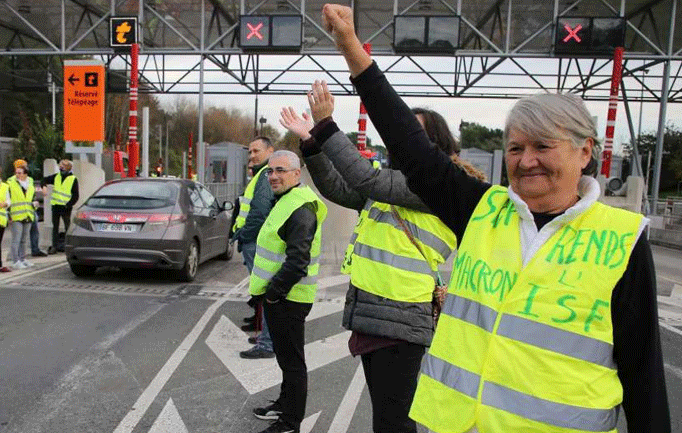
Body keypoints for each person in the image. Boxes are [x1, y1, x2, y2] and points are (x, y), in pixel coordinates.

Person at [321, 4, 671, 432]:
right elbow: (410, 146)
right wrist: (351, 48)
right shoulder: (482, 210)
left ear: (584, 152)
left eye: (543, 146)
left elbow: (644, 375)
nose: (526, 161)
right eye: (515, 148)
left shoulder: (622, 240)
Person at [281, 80, 479, 433]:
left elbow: (364, 178)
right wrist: (311, 144)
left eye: (411, 133)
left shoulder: (437, 185)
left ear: (434, 144)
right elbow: (339, 188)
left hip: (400, 317)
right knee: (388, 420)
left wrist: (325, 126)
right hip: (376, 313)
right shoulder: (395, 184)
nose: (400, 138)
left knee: (393, 423)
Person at [250, 150, 327, 433]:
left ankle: (291, 422)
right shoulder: (287, 200)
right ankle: (284, 404)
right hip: (282, 296)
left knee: (293, 362)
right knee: (286, 359)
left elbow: (298, 261)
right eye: (270, 171)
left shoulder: (301, 208)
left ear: (297, 173)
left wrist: (273, 293)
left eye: (280, 170)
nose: (273, 176)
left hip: (289, 298)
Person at [232, 136, 277, 359]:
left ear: (270, 151)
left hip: (255, 242)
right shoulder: (262, 174)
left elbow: (259, 212)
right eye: (250, 152)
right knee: (264, 292)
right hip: (256, 241)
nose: (252, 155)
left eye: (257, 151)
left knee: (266, 293)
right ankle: (267, 338)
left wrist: (244, 236)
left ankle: (267, 343)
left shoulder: (266, 175)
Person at [41, 159, 78, 254]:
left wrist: (68, 205)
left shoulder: (73, 179)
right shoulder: (56, 176)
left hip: (65, 208)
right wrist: (44, 187)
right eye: (60, 165)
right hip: (56, 206)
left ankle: (68, 246)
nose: (61, 167)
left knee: (67, 227)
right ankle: (54, 246)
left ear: (68, 167)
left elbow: (75, 195)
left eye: (63, 165)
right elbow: (44, 180)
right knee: (55, 227)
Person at [7, 162, 37, 269]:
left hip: (28, 214)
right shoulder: (10, 183)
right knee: (16, 239)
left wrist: (34, 203)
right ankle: (15, 261)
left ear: (25, 174)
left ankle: (23, 259)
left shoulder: (30, 182)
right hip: (16, 215)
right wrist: (8, 215)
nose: (17, 175)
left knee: (24, 239)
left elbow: (32, 196)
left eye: (20, 173)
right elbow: (7, 199)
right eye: (16, 172)